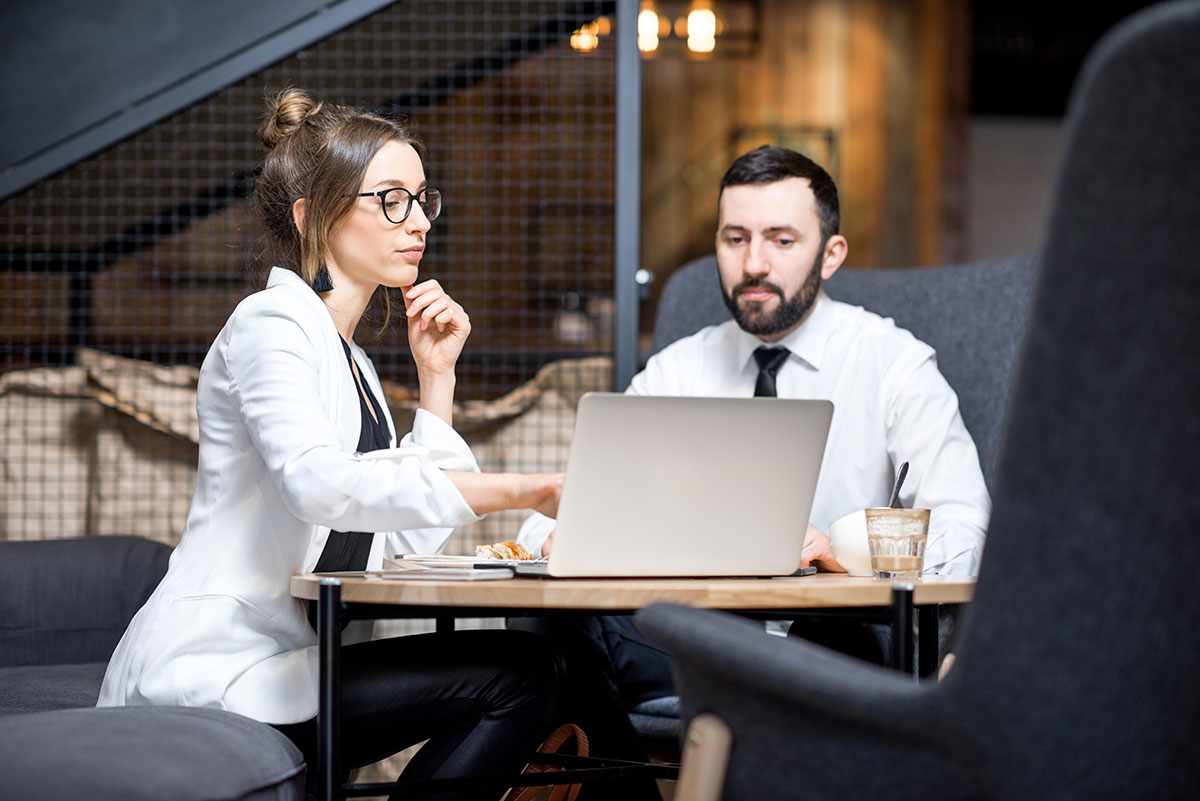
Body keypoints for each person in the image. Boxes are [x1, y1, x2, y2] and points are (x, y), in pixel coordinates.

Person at [97, 88, 568, 801]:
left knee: (526, 667)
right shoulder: (270, 322)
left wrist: (436, 377)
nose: (417, 223)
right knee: (514, 674)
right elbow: (316, 484)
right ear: (312, 216)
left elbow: (395, 533)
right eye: (390, 200)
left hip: (295, 661)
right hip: (218, 667)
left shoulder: (358, 365)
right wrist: (525, 488)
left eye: (421, 199)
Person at [512, 144, 991, 716]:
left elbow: (972, 533)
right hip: (699, 641)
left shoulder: (895, 365)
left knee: (836, 642)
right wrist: (565, 537)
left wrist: (847, 550)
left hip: (835, 642)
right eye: (735, 239)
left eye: (782, 240)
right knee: (545, 623)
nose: (754, 264)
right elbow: (548, 516)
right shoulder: (680, 368)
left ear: (831, 254)